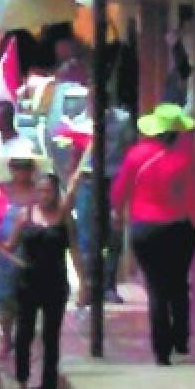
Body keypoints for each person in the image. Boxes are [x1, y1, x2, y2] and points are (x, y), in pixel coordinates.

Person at [111, 103, 195, 366]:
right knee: (178, 284)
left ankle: (161, 352)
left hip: (145, 230)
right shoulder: (184, 160)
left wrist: (117, 214)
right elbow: (192, 200)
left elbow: (119, 191)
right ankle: (180, 340)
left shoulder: (135, 156)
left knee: (156, 288)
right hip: (178, 229)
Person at [3, 173, 88, 389]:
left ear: (56, 192)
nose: (44, 195)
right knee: (24, 333)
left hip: (55, 283)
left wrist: (83, 283)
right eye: (40, 191)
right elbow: (10, 245)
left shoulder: (64, 218)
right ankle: (21, 380)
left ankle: (48, 387)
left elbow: (75, 251)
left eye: (48, 191)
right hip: (27, 282)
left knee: (51, 335)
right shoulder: (25, 216)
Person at [0, 141, 50, 358]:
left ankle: (25, 338)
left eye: (26, 166)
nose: (22, 171)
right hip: (6, 255)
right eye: (17, 166)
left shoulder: (41, 193)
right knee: (5, 297)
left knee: (33, 297)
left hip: (35, 254)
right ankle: (7, 338)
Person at [71, 100, 136, 303]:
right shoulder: (78, 123)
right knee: (86, 236)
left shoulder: (123, 121)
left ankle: (109, 285)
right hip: (89, 180)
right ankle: (90, 285)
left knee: (114, 234)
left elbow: (130, 150)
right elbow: (73, 155)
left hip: (114, 179)